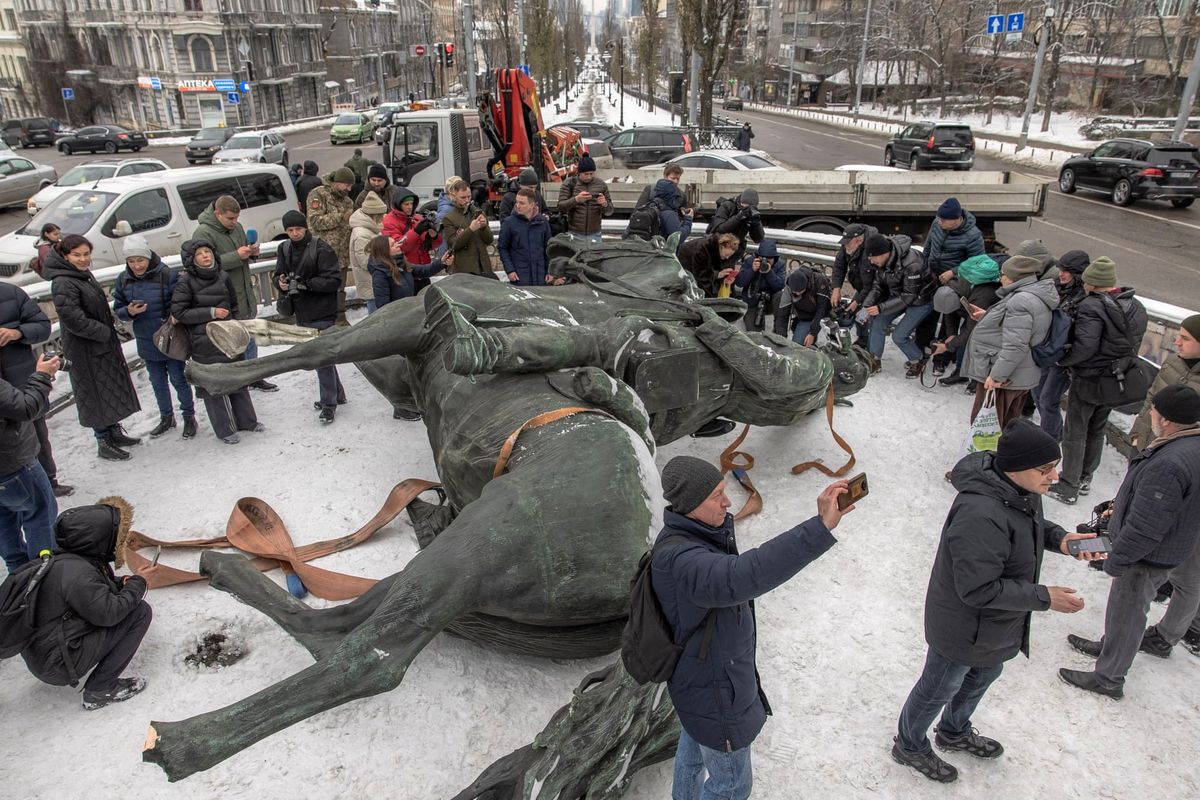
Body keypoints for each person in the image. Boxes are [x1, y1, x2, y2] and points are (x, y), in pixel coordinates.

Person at [892, 420, 1096, 783]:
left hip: (997, 624)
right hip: (963, 626)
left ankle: (953, 731)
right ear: (1018, 467)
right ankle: (909, 744)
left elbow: (1028, 527)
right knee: (940, 686)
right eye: (1046, 469)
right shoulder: (980, 514)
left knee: (983, 676)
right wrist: (1044, 597)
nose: (1055, 476)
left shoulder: (1020, 489)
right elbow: (978, 590)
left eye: (1055, 466)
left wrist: (1063, 539)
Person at [651, 455, 851, 798]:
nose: (728, 502)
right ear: (690, 506)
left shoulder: (694, 534)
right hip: (715, 691)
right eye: (716, 496)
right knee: (731, 785)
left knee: (693, 753)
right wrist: (819, 528)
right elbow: (744, 574)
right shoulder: (685, 561)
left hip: (699, 684)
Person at [1060, 385, 1200, 697]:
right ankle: (1111, 648)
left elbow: (1146, 526)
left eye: (1153, 409)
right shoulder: (1190, 445)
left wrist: (1117, 559)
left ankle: (1108, 678)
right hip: (1173, 543)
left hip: (1148, 554)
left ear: (1165, 419)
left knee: (1127, 612)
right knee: (1128, 614)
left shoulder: (1170, 462)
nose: (1150, 413)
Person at [20, 499, 152, 710]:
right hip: (57, 663)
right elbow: (110, 613)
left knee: (125, 601)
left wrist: (121, 583)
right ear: (97, 539)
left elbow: (88, 592)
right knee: (139, 613)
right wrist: (138, 582)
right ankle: (100, 690)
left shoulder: (66, 560)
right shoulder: (80, 574)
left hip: (44, 653)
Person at [1048, 257, 1147, 505]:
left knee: (1076, 429)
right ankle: (1085, 477)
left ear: (1091, 283)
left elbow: (1086, 345)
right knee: (1097, 427)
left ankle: (1068, 485)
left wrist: (1065, 361)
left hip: (1090, 377)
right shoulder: (1135, 306)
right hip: (1115, 379)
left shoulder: (1092, 306)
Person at [41, 235, 142, 461]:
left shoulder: (80, 275)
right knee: (95, 394)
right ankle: (103, 440)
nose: (83, 259)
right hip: (85, 349)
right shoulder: (63, 282)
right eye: (77, 255)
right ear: (65, 256)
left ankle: (113, 431)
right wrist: (104, 332)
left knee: (106, 389)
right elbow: (73, 319)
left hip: (99, 346)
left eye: (86, 254)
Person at [171, 239, 261, 444]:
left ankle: (247, 421)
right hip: (204, 341)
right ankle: (225, 430)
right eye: (200, 254)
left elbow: (234, 303)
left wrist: (237, 324)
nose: (205, 255)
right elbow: (179, 312)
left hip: (228, 336)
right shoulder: (185, 282)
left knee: (237, 378)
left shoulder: (223, 275)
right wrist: (210, 313)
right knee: (214, 386)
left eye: (207, 251)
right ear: (191, 260)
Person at [960, 255, 1060, 429]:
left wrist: (996, 375)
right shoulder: (1033, 295)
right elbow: (1023, 330)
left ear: (1015, 276)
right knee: (1007, 424)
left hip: (1006, 377)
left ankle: (984, 456)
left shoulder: (1020, 301)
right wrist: (988, 316)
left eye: (1003, 273)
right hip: (1021, 373)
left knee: (987, 427)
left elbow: (1016, 345)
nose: (1000, 277)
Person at [112, 235, 196, 440]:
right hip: (145, 337)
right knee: (157, 382)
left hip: (170, 336)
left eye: (140, 260)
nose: (136, 265)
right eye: (131, 261)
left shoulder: (167, 274)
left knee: (178, 378)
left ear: (148, 257)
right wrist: (129, 312)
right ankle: (167, 416)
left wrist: (173, 317)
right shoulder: (124, 279)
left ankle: (189, 416)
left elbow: (180, 301)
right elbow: (118, 309)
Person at [192, 195, 275, 391]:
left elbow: (243, 255)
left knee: (250, 336)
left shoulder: (236, 228)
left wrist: (252, 253)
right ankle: (239, 378)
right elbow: (205, 266)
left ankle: (253, 376)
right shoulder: (203, 233)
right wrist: (236, 256)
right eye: (230, 218)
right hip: (225, 299)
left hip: (244, 293)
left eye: (237, 218)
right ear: (217, 214)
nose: (235, 222)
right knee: (234, 341)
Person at [0, 281, 70, 497]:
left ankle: (48, 481)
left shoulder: (11, 293)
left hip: (22, 379)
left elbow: (42, 326)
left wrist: (17, 333)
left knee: (38, 433)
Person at [274, 211, 345, 424]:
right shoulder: (283, 248)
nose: (295, 233)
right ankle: (337, 395)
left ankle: (328, 404)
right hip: (301, 310)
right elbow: (277, 273)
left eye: (298, 229)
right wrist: (281, 282)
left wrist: (308, 284)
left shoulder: (321, 248)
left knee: (320, 358)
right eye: (290, 230)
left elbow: (334, 281)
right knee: (322, 358)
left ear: (306, 228)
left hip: (322, 311)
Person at [0, 351, 59, 573]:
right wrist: (42, 376)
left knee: (4, 525)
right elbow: (25, 408)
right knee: (40, 514)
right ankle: (44, 573)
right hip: (13, 464)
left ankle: (19, 573)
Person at [860, 233, 936, 377]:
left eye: (872, 257)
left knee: (899, 335)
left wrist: (880, 307)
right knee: (877, 321)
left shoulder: (912, 263)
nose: (871, 261)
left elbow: (909, 296)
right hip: (899, 296)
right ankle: (874, 360)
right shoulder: (881, 262)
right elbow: (878, 286)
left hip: (921, 299)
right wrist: (867, 306)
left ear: (884, 253)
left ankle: (917, 360)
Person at [1033, 249, 1089, 439]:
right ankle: (1051, 430)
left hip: (1064, 358)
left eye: (1067, 271)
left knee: (1048, 398)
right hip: (1048, 351)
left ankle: (1050, 437)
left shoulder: (1084, 299)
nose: (1061, 273)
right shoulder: (1055, 287)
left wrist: (1068, 359)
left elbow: (1084, 336)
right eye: (1060, 268)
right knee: (1037, 391)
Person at [932, 254, 1003, 389]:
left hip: (991, 316)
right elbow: (950, 312)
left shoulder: (980, 297)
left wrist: (947, 346)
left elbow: (971, 331)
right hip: (973, 308)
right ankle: (962, 371)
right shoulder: (951, 287)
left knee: (977, 343)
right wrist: (952, 334)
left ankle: (978, 379)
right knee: (961, 338)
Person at [1129, 314, 1200, 449]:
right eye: (1179, 336)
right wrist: (1137, 433)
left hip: (1174, 457)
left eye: (1185, 339)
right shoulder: (1172, 361)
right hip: (1143, 444)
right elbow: (1151, 398)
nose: (1177, 342)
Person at [307, 167, 356, 319]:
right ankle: (324, 319)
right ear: (337, 182)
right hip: (323, 254)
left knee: (340, 288)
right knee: (324, 289)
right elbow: (315, 221)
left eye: (350, 186)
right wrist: (341, 217)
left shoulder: (348, 201)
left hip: (341, 254)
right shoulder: (318, 194)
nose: (348, 189)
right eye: (346, 185)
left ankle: (339, 317)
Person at [830, 223, 879, 349]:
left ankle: (869, 347)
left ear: (859, 240)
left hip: (876, 288)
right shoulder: (849, 245)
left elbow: (870, 284)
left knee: (864, 315)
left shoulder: (871, 249)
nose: (845, 246)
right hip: (861, 285)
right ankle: (862, 339)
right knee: (854, 312)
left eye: (848, 243)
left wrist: (857, 301)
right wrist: (836, 288)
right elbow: (839, 266)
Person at [368, 234, 448, 309]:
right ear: (384, 251)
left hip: (408, 311)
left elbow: (424, 270)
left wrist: (441, 262)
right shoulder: (380, 274)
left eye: (395, 242)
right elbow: (383, 306)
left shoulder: (401, 263)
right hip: (397, 317)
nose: (398, 244)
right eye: (393, 245)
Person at [499, 188, 553, 286]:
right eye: (517, 202)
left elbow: (549, 248)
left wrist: (550, 271)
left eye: (522, 203)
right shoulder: (509, 223)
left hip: (541, 277)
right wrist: (510, 270)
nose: (517, 206)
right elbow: (502, 248)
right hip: (520, 277)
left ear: (532, 205)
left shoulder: (543, 222)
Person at [925, 197, 985, 284]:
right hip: (932, 274)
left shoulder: (973, 236)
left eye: (943, 220)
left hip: (954, 280)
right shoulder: (936, 223)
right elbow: (928, 246)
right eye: (939, 218)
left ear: (957, 219)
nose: (939, 222)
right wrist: (923, 265)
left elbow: (977, 263)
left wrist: (953, 272)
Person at [442, 178, 495, 276]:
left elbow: (489, 240)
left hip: (483, 268)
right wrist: (470, 229)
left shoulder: (478, 212)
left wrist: (484, 227)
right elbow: (454, 244)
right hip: (464, 270)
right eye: (462, 197)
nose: (467, 200)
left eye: (469, 197)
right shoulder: (449, 218)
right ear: (454, 196)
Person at [557, 154, 612, 243]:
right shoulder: (569, 183)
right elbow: (560, 206)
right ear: (579, 172)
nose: (589, 177)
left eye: (591, 173)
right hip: (575, 233)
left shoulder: (601, 184)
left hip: (595, 234)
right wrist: (576, 200)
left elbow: (610, 211)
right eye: (586, 174)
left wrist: (604, 204)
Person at [733, 239, 785, 332]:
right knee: (754, 331)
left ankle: (778, 327)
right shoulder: (750, 262)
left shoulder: (779, 264)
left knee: (780, 295)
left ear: (774, 258)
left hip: (770, 301)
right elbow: (739, 283)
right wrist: (752, 270)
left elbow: (780, 286)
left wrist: (769, 272)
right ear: (758, 257)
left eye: (769, 259)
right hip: (753, 301)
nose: (765, 262)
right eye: (763, 259)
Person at [349, 192, 387, 313]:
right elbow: (365, 262)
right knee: (376, 317)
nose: (383, 218)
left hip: (375, 282)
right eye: (381, 215)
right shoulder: (362, 234)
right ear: (374, 215)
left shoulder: (371, 229)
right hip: (371, 283)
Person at [778, 265, 832, 346]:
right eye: (795, 292)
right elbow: (783, 314)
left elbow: (822, 310)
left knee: (802, 343)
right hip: (804, 316)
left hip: (821, 314)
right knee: (796, 343)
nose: (798, 293)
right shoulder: (789, 285)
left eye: (801, 291)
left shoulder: (819, 281)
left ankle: (811, 340)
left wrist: (812, 333)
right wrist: (781, 339)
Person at [677, 232, 740, 298]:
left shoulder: (718, 252)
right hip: (684, 272)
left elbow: (710, 275)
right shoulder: (702, 250)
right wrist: (717, 275)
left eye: (729, 256)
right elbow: (701, 278)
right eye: (726, 255)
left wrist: (724, 280)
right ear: (721, 247)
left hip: (692, 276)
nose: (727, 258)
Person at [710, 189, 765, 262]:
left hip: (734, 252)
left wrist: (756, 222)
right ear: (741, 202)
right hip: (718, 248)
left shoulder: (751, 213)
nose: (748, 209)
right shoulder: (728, 206)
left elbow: (758, 239)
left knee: (728, 271)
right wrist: (740, 216)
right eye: (746, 206)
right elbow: (719, 229)